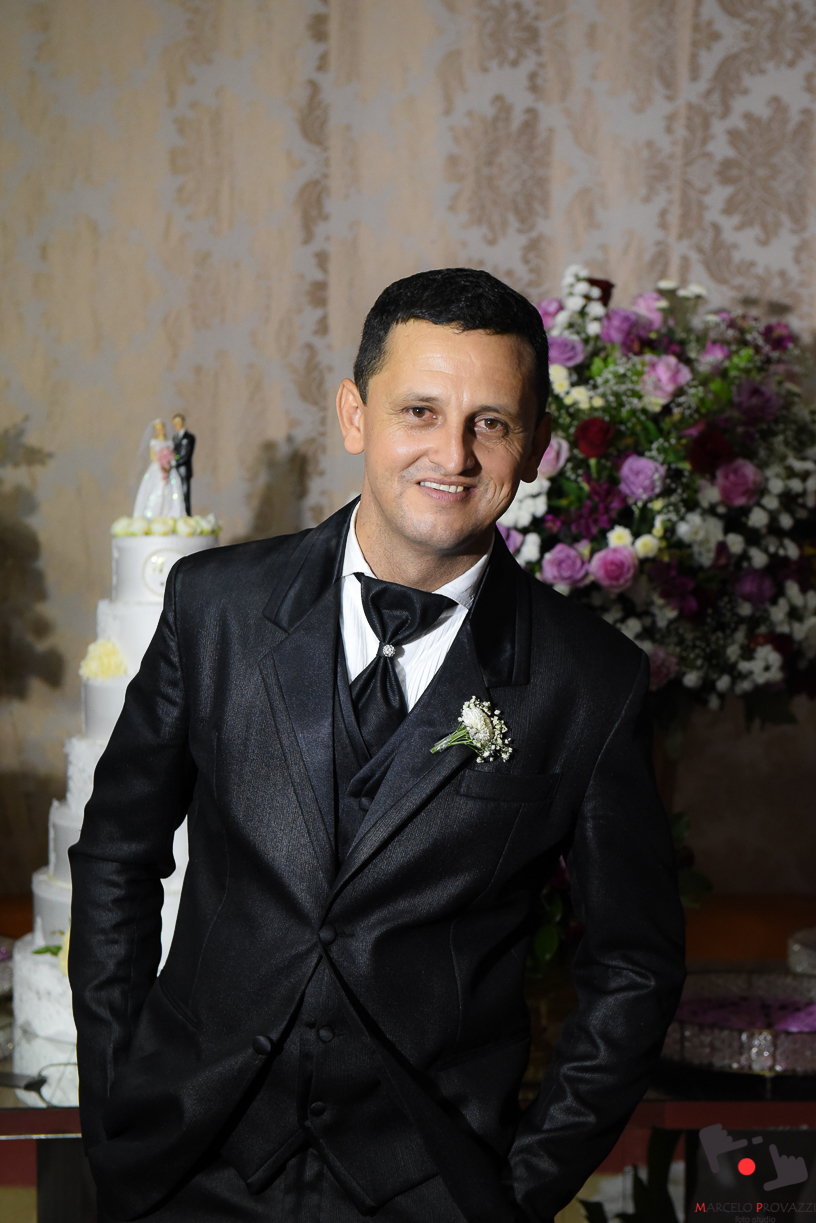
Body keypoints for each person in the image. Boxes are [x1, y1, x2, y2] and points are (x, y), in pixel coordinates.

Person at [69, 268, 685, 1223]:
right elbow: (117, 855)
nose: (453, 453)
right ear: (355, 415)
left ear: (537, 447)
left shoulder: (591, 681)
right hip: (187, 1165)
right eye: (420, 411)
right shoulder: (214, 607)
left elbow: (634, 966)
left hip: (429, 1182)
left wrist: (518, 1192)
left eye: (492, 422)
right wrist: (115, 1102)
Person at [133, 419, 185, 520]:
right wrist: (162, 461)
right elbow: (153, 456)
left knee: (173, 489)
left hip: (169, 468)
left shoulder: (169, 442)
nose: (160, 430)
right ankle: (153, 515)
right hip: (157, 467)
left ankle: (172, 514)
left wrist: (169, 461)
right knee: (156, 489)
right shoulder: (154, 442)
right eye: (158, 429)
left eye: (161, 428)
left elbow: (172, 454)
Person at [171, 413, 195, 516]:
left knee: (185, 495)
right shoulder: (175, 437)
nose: (176, 425)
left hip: (184, 470)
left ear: (182, 422)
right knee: (176, 494)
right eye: (174, 423)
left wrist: (175, 461)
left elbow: (186, 455)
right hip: (174, 471)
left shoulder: (189, 437)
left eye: (178, 422)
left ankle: (186, 516)